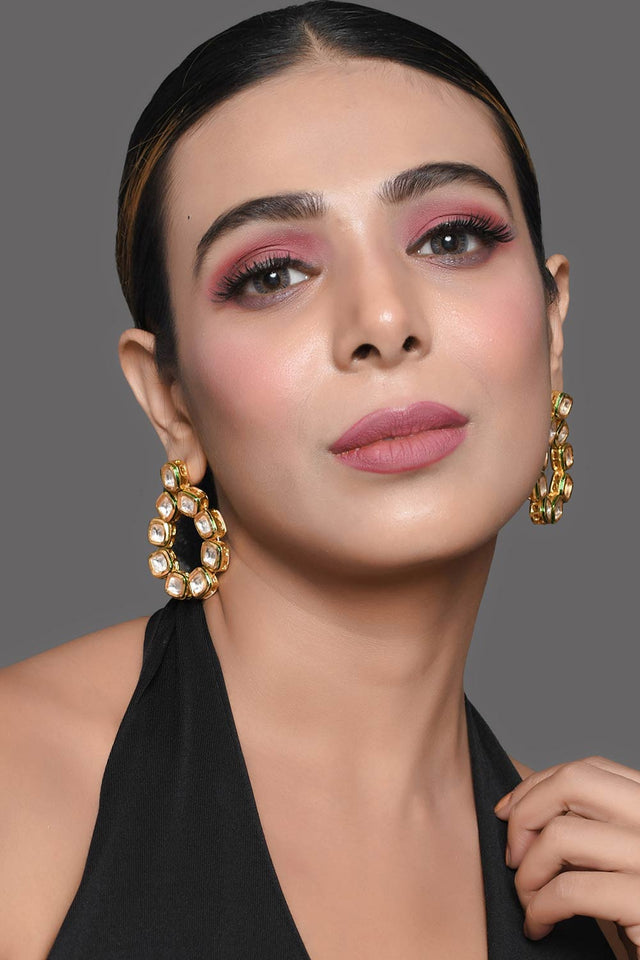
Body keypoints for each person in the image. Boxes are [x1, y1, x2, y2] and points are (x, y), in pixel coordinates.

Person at [1, 1, 638, 957]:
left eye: (451, 238)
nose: (383, 320)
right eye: (272, 274)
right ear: (170, 399)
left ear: (552, 328)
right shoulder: (19, 790)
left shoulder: (599, 894)